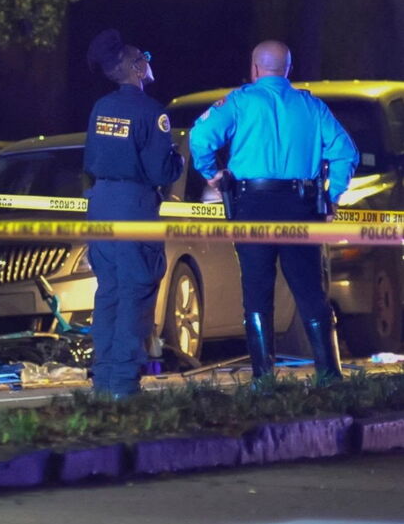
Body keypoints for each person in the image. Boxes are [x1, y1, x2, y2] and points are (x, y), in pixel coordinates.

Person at [189, 40, 359, 381]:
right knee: (310, 290)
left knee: (256, 290)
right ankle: (330, 376)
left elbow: (200, 136)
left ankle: (263, 380)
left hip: (252, 204)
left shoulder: (238, 102)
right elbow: (346, 151)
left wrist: (212, 174)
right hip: (301, 205)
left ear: (254, 69)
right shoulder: (311, 105)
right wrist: (334, 196)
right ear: (288, 70)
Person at [83, 29, 183, 399]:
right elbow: (161, 171)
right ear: (136, 68)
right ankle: (124, 386)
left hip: (101, 208)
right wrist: (179, 161)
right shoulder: (151, 112)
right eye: (145, 58)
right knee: (136, 292)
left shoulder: (102, 108)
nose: (149, 63)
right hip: (134, 208)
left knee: (108, 292)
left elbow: (91, 159)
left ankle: (104, 382)